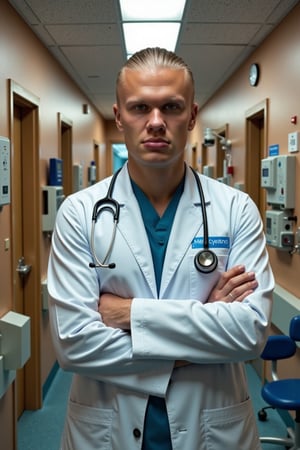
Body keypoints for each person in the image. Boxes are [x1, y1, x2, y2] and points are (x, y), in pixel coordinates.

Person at [47, 47, 274, 450]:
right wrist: (202, 326)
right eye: (139, 108)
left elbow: (249, 334)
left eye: (171, 106)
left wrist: (127, 313)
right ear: (118, 116)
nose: (155, 122)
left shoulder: (235, 209)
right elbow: (74, 346)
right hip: (106, 430)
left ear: (192, 114)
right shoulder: (78, 213)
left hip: (212, 428)